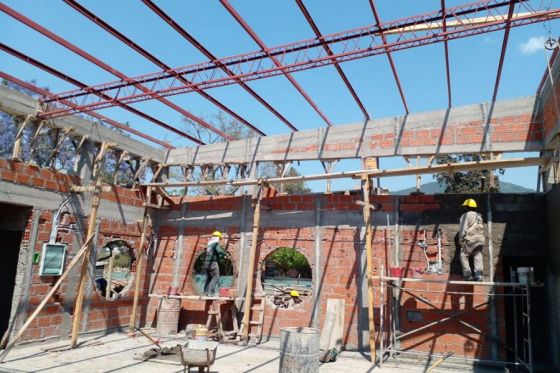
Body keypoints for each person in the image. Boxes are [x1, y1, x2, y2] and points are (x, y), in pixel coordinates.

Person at [458, 199, 485, 281]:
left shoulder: (466, 215)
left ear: (467, 207)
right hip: (480, 239)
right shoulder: (478, 216)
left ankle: (467, 275)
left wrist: (460, 239)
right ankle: (479, 276)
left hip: (471, 239)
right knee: (477, 255)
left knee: (463, 255)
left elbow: (463, 228)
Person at [203, 231, 229, 296]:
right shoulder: (215, 243)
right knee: (215, 277)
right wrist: (225, 254)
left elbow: (213, 252)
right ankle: (211, 292)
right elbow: (219, 251)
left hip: (206, 262)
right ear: (218, 237)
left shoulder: (209, 244)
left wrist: (219, 256)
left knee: (208, 278)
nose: (219, 240)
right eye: (220, 239)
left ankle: (205, 292)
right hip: (213, 262)